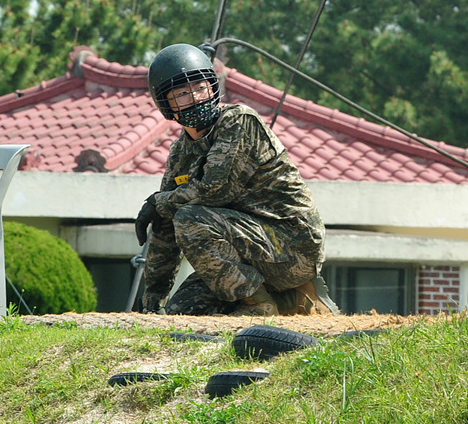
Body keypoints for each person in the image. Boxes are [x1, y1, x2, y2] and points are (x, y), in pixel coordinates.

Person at [136, 43, 337, 316]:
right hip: (247, 251)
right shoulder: (180, 153)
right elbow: (165, 227)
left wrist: (158, 202)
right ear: (166, 104)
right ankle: (292, 300)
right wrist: (152, 300)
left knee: (189, 217)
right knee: (184, 309)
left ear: (213, 87)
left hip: (292, 246)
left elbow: (215, 190)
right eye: (182, 93)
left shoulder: (239, 122)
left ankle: (260, 304)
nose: (195, 98)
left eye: (200, 87)